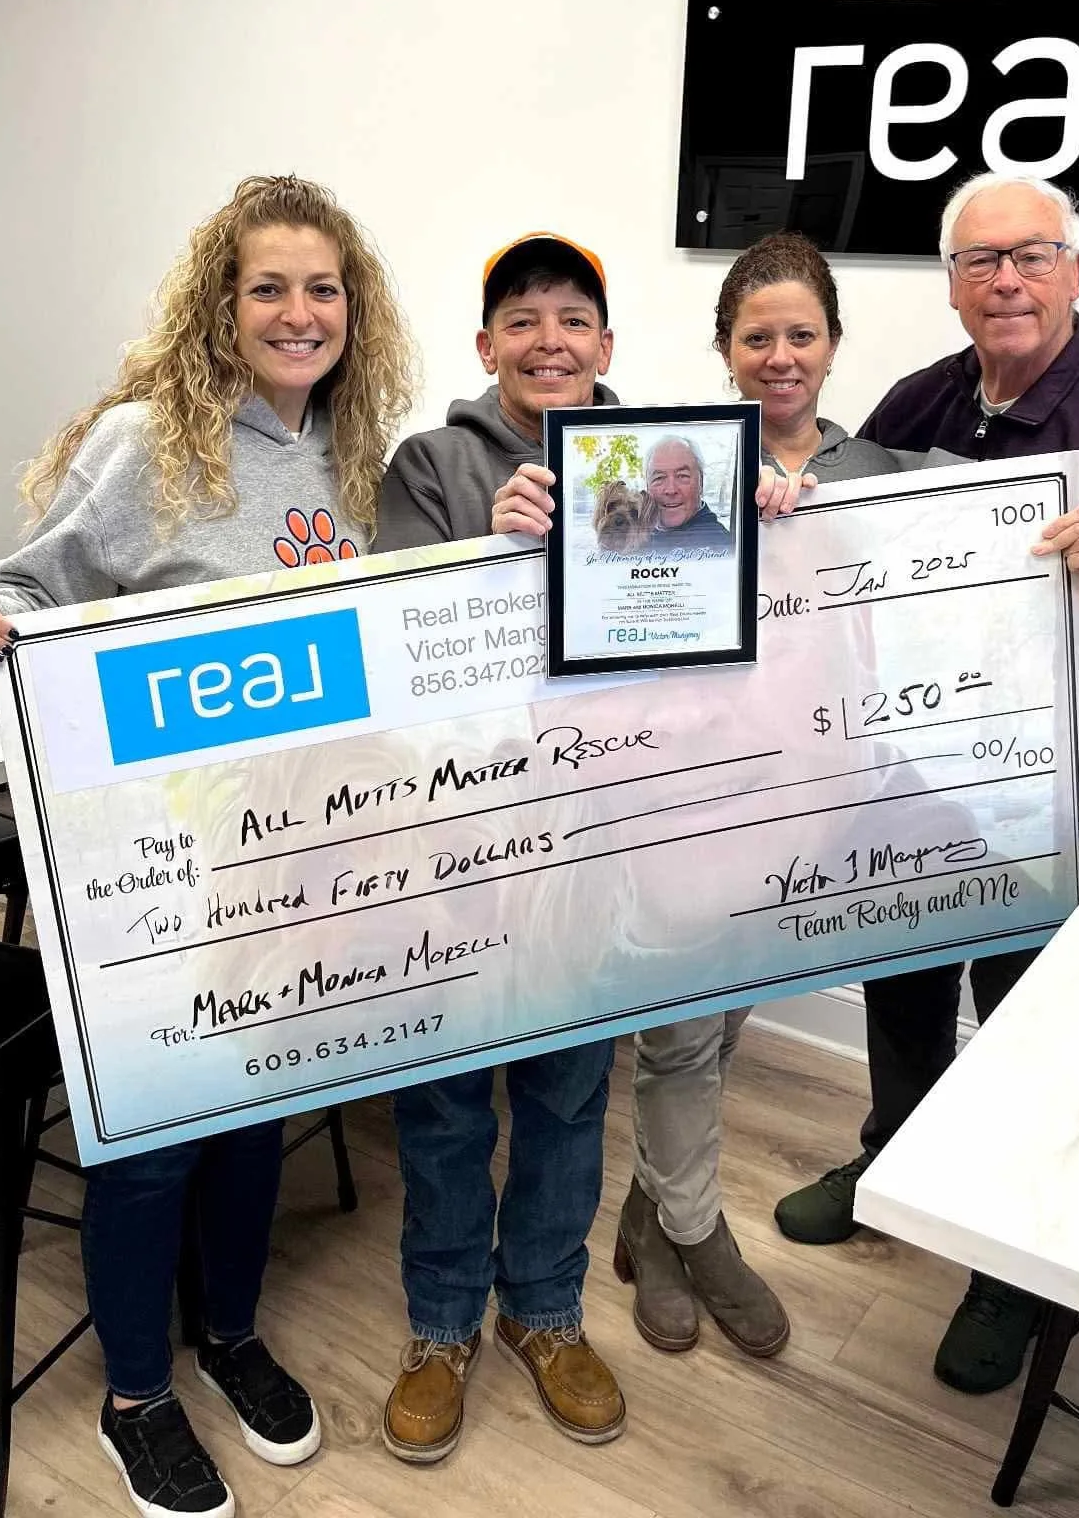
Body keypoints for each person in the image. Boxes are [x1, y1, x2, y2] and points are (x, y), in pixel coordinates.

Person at [0, 175, 416, 1518]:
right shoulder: (150, 445)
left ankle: (230, 1333)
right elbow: (16, 607)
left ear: (351, 310)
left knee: (255, 1119)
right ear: (222, 305)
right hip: (150, 869)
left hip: (295, 862)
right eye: (270, 287)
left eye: (323, 288)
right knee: (146, 1142)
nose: (299, 312)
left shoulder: (356, 453)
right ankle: (139, 1393)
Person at [773, 170, 1079, 1397]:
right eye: (978, 262)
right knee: (905, 994)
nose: (1005, 281)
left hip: (1054, 806)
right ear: (952, 283)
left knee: (1024, 1034)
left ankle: (1008, 1274)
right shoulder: (919, 402)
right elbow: (839, 568)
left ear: (1074, 269)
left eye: (1030, 256)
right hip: (915, 785)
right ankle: (891, 1164)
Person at [615, 230, 936, 1361]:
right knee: (678, 1038)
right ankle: (694, 1233)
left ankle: (652, 1214)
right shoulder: (667, 471)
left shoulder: (881, 474)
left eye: (802, 334)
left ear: (835, 344)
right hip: (695, 805)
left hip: (815, 811)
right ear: (725, 349)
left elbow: (968, 559)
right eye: (759, 336)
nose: (782, 355)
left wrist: (1070, 541)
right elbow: (621, 632)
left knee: (724, 1025)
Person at [372, 230, 627, 1465]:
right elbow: (398, 648)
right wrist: (493, 549)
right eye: (522, 319)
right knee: (447, 1102)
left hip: (598, 835)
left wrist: (763, 517)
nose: (549, 341)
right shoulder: (430, 465)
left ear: (607, 346)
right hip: (459, 840)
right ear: (486, 348)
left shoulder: (674, 464)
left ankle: (546, 1309)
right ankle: (439, 1324)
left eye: (573, 318)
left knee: (573, 1092)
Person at [642, 437, 732, 554]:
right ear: (647, 486)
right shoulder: (634, 538)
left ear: (701, 483)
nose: (671, 490)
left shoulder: (720, 546)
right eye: (659, 478)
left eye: (682, 476)